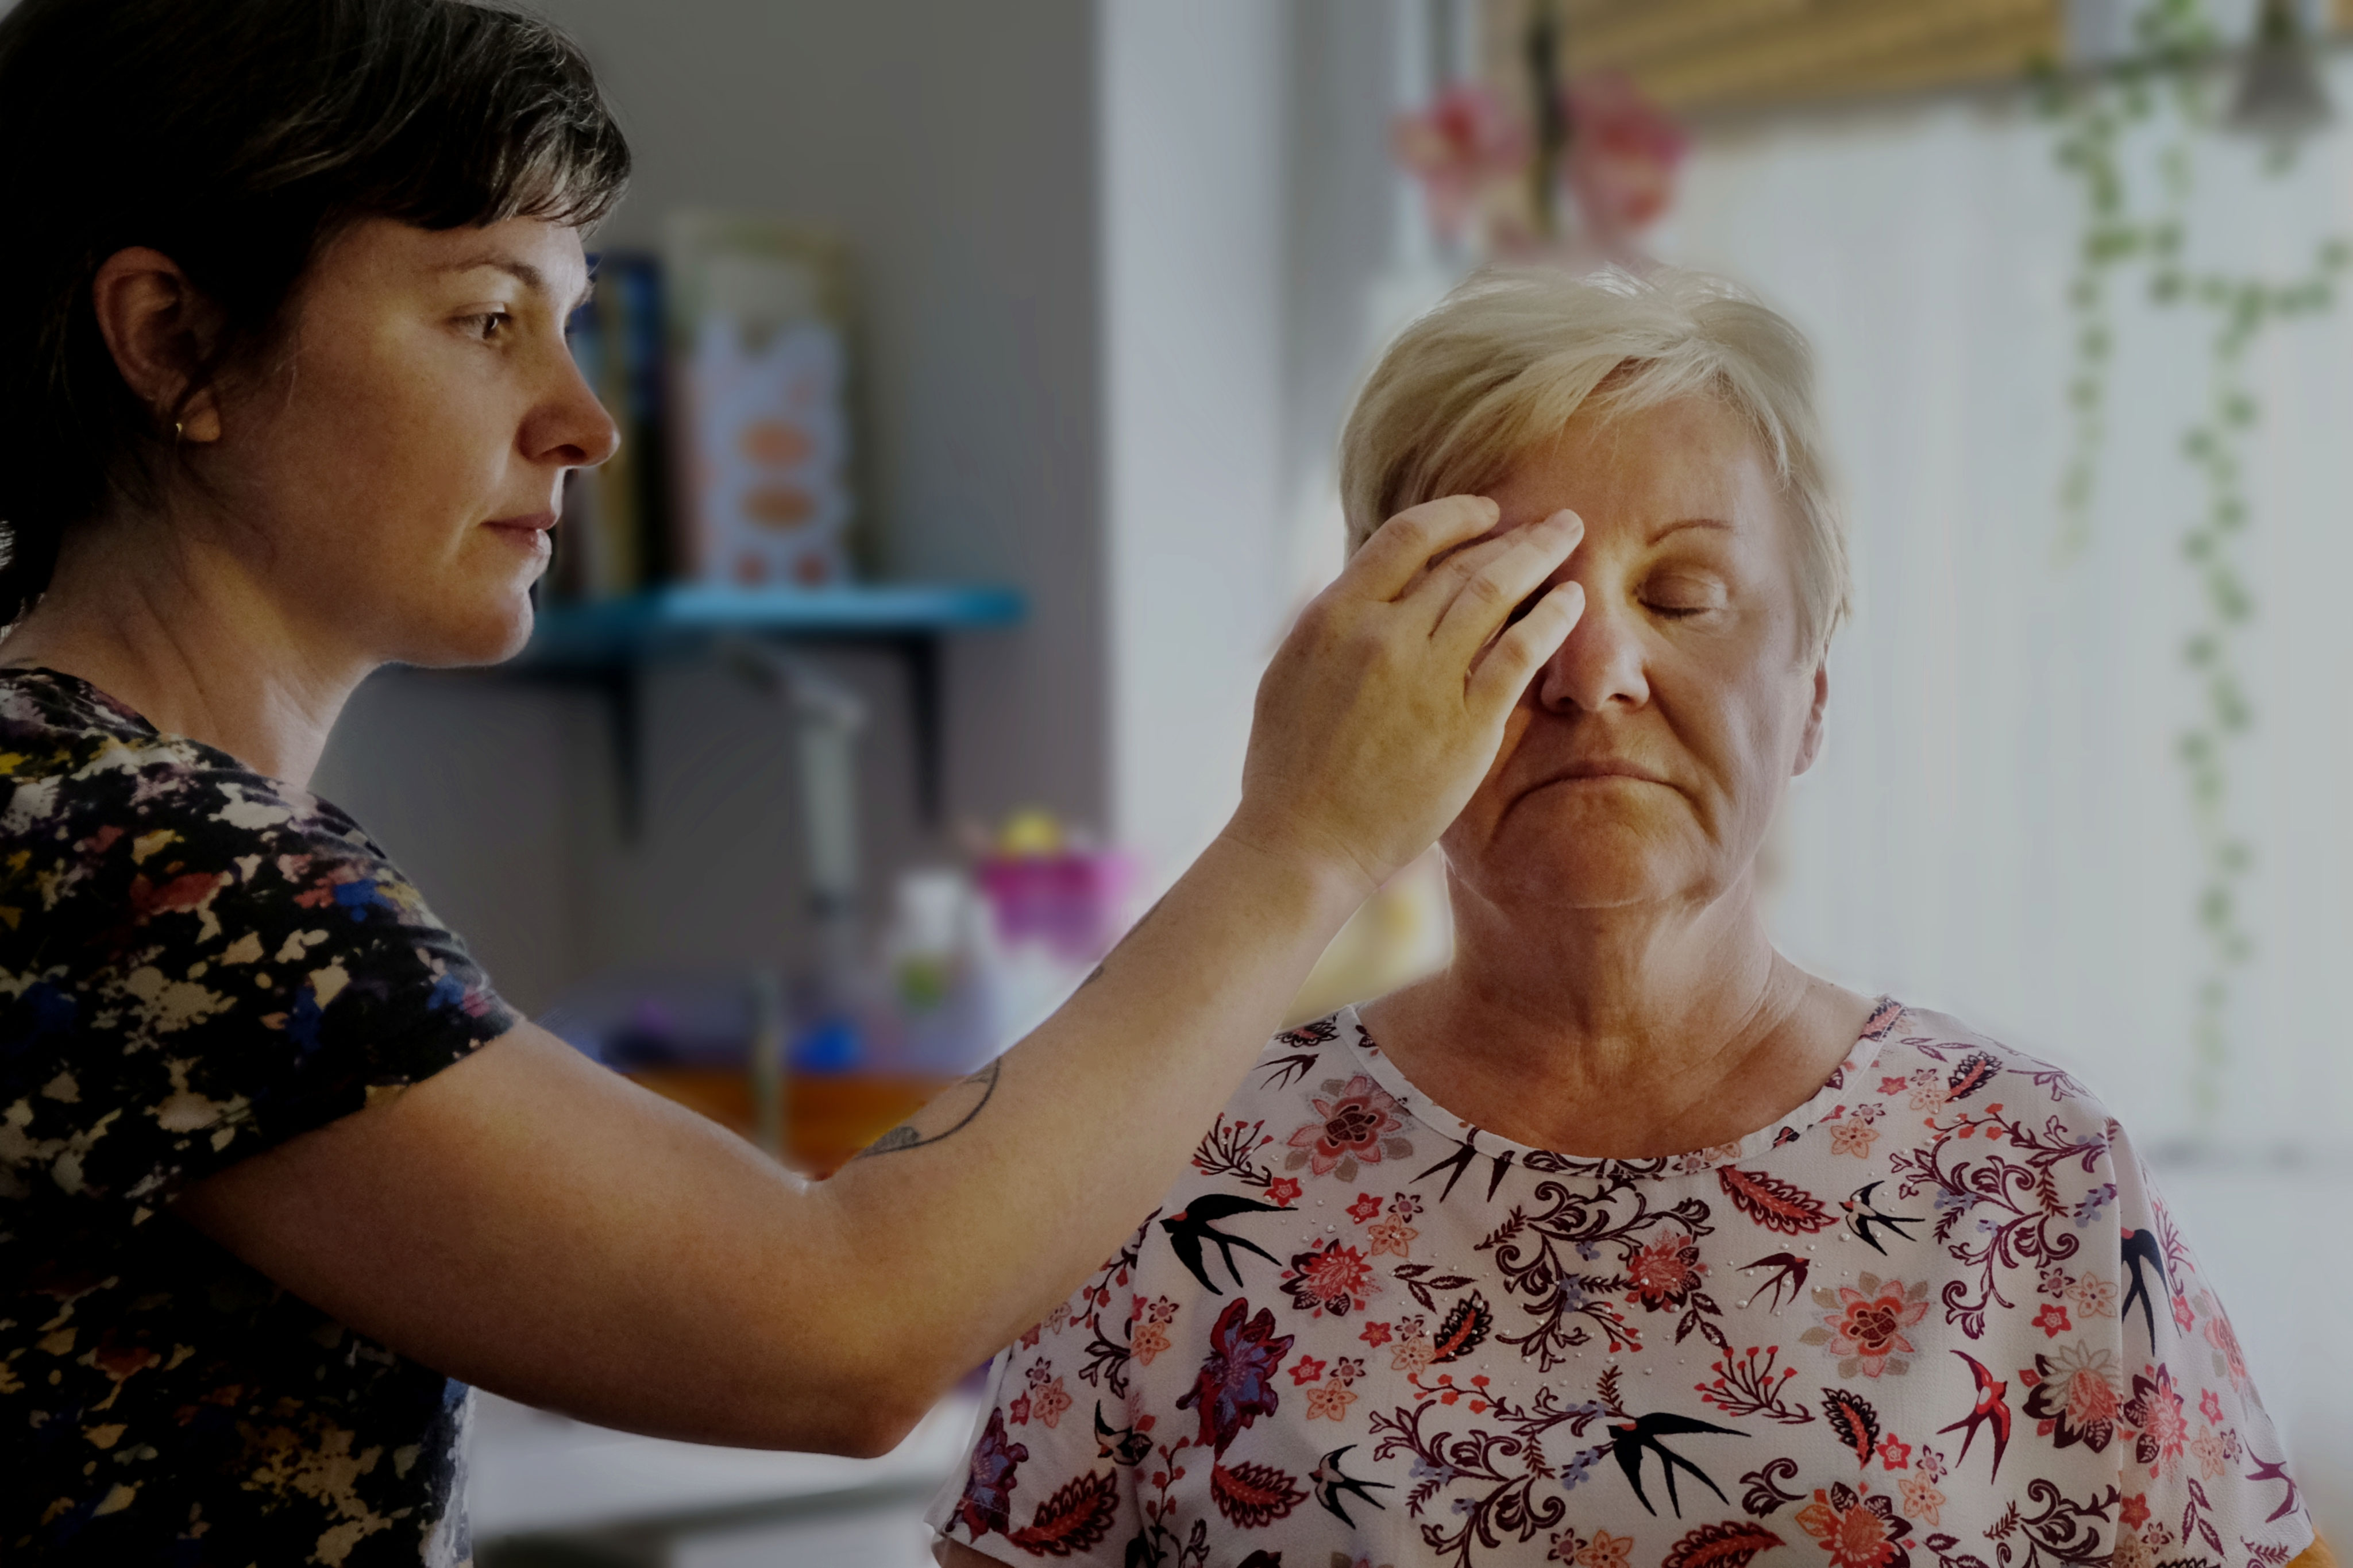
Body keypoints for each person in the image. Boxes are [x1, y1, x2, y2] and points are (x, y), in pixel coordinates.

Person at [0, 1, 1593, 1562]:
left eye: (568, 322)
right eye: (486, 320)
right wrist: (1302, 843)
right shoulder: (145, 864)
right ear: (173, 342)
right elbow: (845, 1332)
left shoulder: (89, 811)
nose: (586, 422)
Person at [929, 267, 2324, 1568]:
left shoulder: (2032, 1177)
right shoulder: (1169, 1175)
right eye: (1507, 604)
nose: (1591, 669)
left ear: (1812, 694)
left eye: (1683, 596)